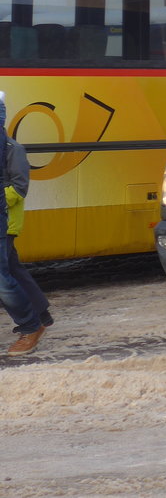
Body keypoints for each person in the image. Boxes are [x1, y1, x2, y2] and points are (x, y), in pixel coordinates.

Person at [0, 92, 48, 356]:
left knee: (5, 276)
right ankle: (41, 316)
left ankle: (31, 324)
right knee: (12, 270)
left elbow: (18, 190)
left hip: (6, 221)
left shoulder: (12, 150)